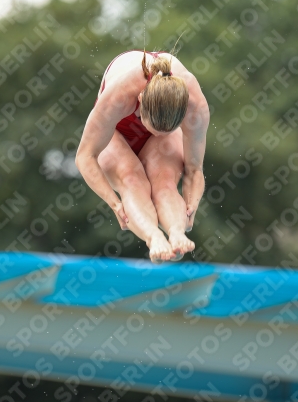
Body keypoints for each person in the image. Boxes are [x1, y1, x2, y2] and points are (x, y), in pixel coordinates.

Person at [75, 49, 210, 263]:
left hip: (160, 112)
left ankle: (176, 233)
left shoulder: (195, 106)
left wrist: (191, 204)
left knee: (165, 181)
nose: (156, 135)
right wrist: (114, 203)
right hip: (116, 132)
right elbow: (85, 156)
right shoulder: (118, 95)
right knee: (130, 178)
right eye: (154, 129)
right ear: (140, 99)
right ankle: (154, 237)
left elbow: (194, 169)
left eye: (165, 132)